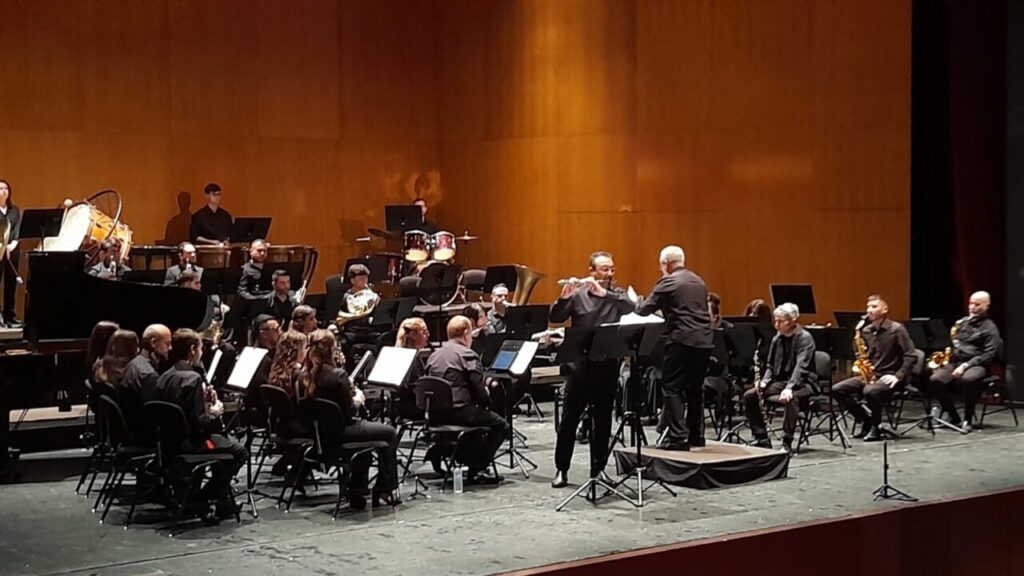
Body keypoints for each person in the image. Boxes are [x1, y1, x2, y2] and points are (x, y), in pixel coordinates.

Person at [549, 251, 636, 488]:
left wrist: (604, 293)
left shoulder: (615, 294)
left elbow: (632, 307)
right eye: (604, 269)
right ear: (592, 271)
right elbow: (556, 317)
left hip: (606, 364)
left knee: (603, 420)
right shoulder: (577, 295)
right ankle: (561, 469)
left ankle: (598, 470)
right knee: (569, 419)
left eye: (611, 269)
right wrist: (563, 298)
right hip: (580, 366)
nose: (609, 273)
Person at [155, 329, 247, 522]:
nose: (202, 353)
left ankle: (222, 504)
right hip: (190, 442)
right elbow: (200, 424)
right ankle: (199, 500)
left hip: (168, 441)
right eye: (200, 349)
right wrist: (215, 411)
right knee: (239, 452)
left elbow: (181, 412)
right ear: (191, 350)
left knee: (223, 447)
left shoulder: (165, 375)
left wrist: (203, 403)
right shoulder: (192, 378)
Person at [302, 329, 400, 509]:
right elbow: (348, 412)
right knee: (390, 433)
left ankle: (357, 491)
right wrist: (358, 399)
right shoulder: (337, 375)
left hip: (319, 436)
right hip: (342, 432)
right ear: (331, 349)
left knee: (367, 445)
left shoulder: (302, 374)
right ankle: (385, 487)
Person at [635, 245, 713, 451]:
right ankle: (697, 435)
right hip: (705, 341)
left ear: (664, 264)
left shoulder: (668, 281)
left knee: (671, 386)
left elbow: (643, 310)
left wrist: (636, 300)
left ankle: (678, 437)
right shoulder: (698, 280)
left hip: (682, 340)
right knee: (695, 388)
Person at [424, 315, 506, 484]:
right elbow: (479, 390)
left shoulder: (434, 356)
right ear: (467, 333)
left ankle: (441, 449)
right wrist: (488, 404)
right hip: (459, 411)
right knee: (500, 425)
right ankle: (478, 467)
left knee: (477, 423)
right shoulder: (468, 355)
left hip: (435, 414)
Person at [832, 294, 916, 441]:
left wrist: (897, 376)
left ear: (885, 310)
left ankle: (876, 428)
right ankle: (865, 420)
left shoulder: (896, 329)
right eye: (868, 307)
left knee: (870, 391)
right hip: (873, 375)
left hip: (892, 377)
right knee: (838, 389)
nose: (869, 310)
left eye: (874, 307)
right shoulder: (866, 331)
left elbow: (911, 356)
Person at [742, 303, 816, 452]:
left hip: (804, 383)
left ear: (793, 320)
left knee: (790, 398)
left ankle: (786, 442)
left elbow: (801, 367)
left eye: (781, 321)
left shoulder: (805, 338)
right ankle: (761, 437)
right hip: (781, 382)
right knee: (750, 395)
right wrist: (764, 381)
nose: (776, 325)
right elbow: (770, 365)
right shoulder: (777, 338)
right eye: (775, 320)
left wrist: (789, 388)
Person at [926, 291, 1001, 432]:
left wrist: (966, 365)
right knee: (935, 379)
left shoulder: (990, 328)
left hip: (978, 364)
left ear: (986, 306)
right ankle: (953, 416)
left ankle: (968, 419)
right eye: (970, 304)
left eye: (977, 304)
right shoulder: (962, 323)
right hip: (956, 361)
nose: (972, 307)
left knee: (968, 380)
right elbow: (955, 344)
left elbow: (989, 354)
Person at [119, 324, 172, 433]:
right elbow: (155, 414)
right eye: (167, 343)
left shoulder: (135, 362)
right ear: (153, 343)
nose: (170, 348)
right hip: (142, 433)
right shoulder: (148, 375)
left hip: (132, 427)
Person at [393, 317, 431, 421]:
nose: (428, 335)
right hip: (412, 407)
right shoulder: (411, 358)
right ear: (412, 335)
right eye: (424, 332)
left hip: (402, 405)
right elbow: (417, 389)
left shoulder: (400, 353)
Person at [0, 179, 22, 328]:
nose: (3, 191)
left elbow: (16, 232)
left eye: (6, 188)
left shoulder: (14, 210)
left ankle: (9, 315)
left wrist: (11, 246)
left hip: (11, 251)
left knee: (10, 283)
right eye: (0, 188)